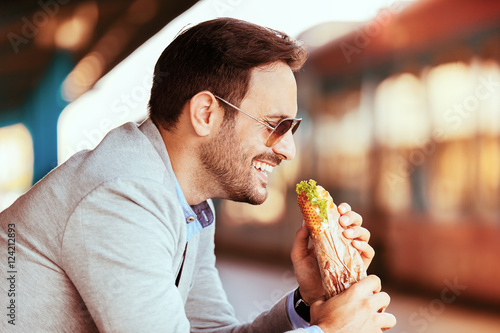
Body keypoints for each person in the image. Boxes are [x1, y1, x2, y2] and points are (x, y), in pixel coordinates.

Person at [0, 18, 396, 332]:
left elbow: (211, 331)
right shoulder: (120, 196)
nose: (288, 150)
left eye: (293, 130)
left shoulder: (187, 203)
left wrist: (309, 307)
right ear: (206, 113)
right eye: (275, 125)